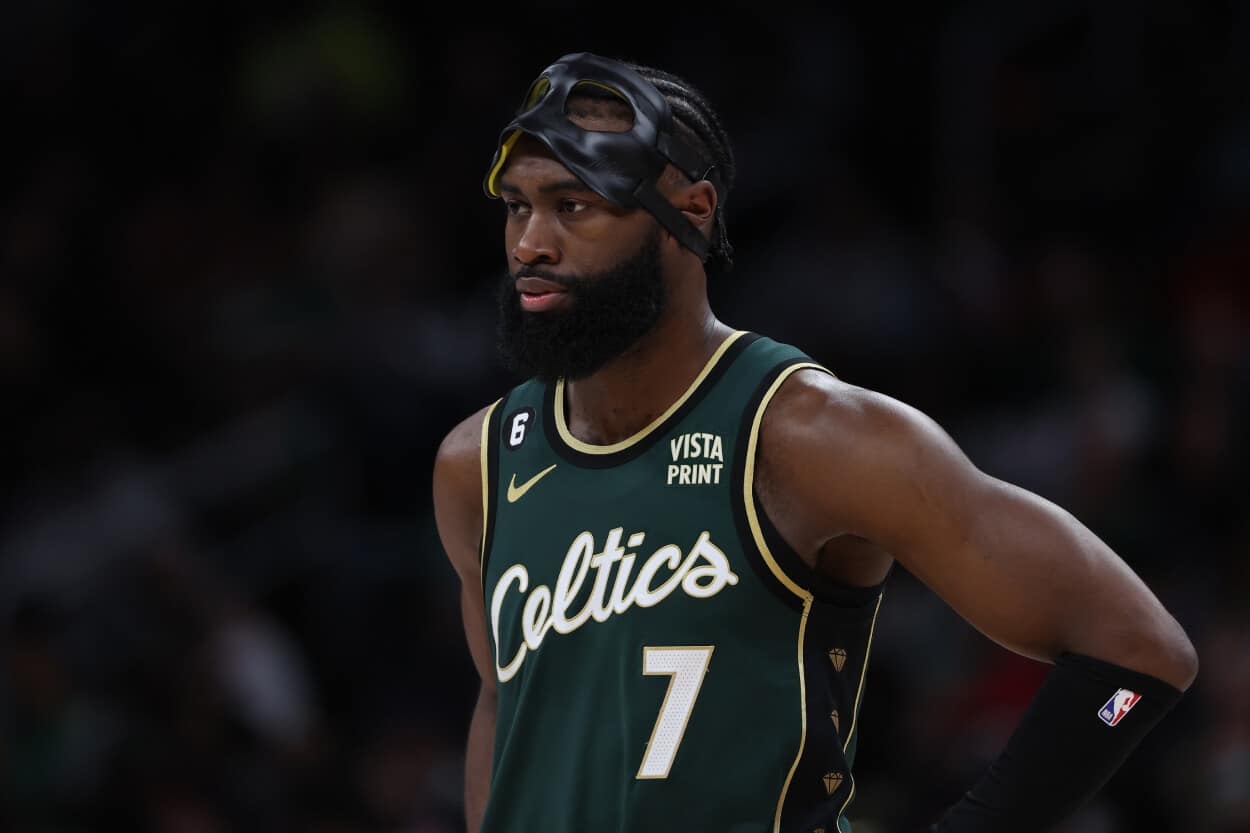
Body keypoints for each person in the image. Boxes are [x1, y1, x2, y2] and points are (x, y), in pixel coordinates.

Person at [431, 51, 1198, 833]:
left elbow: (1136, 652)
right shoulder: (478, 463)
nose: (530, 243)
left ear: (690, 211)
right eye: (516, 205)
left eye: (574, 205)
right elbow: (503, 708)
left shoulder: (810, 435)